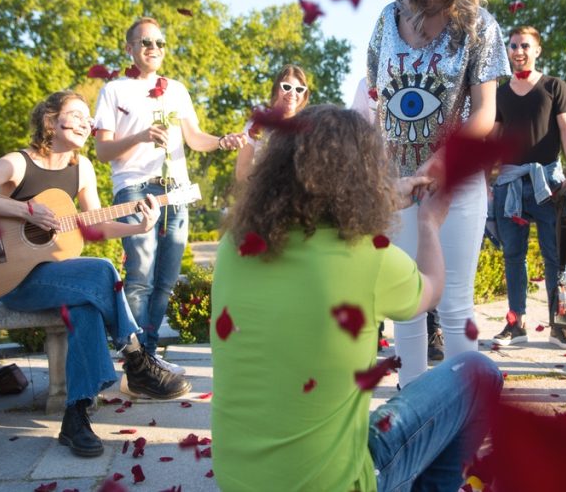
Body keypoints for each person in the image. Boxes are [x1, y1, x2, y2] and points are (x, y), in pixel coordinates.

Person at [211, 105, 503, 491]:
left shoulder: (233, 248)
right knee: (479, 373)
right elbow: (431, 288)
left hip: (240, 483)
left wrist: (387, 195)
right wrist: (428, 224)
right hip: (338, 484)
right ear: (361, 177)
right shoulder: (369, 259)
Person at [0, 90, 191, 457]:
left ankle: (75, 417)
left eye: (87, 118)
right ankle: (137, 359)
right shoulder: (18, 162)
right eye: (75, 115)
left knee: (86, 308)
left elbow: (93, 225)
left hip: (56, 277)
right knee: (104, 270)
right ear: (50, 121)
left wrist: (139, 228)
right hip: (14, 279)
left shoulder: (83, 168)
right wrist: (26, 211)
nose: (86, 122)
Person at [366, 0, 511, 385]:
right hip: (395, 184)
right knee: (404, 305)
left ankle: (460, 422)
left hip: (455, 184)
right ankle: (411, 415)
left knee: (453, 306)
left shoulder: (480, 26)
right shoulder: (387, 20)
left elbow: (485, 113)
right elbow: (375, 97)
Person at [93, 17, 247, 366]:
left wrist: (223, 141)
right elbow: (102, 152)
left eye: (160, 43)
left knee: (165, 280)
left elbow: (194, 138)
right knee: (140, 277)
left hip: (176, 191)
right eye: (146, 42)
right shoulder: (114, 90)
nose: (154, 49)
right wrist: (141, 136)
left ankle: (147, 354)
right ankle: (134, 360)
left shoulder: (176, 89)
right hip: (135, 188)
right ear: (129, 48)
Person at [489, 26, 566, 348]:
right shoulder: (500, 93)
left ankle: (560, 324)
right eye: (513, 46)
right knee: (513, 256)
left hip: (549, 183)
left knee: (555, 255)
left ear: (537, 50)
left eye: (525, 46)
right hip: (510, 184)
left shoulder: (554, 86)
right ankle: (516, 324)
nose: (518, 51)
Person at [235, 64, 310, 182]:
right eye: (287, 87)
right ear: (276, 89)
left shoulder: (305, 131)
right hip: (259, 193)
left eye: (299, 90)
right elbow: (241, 172)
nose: (292, 93)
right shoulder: (257, 123)